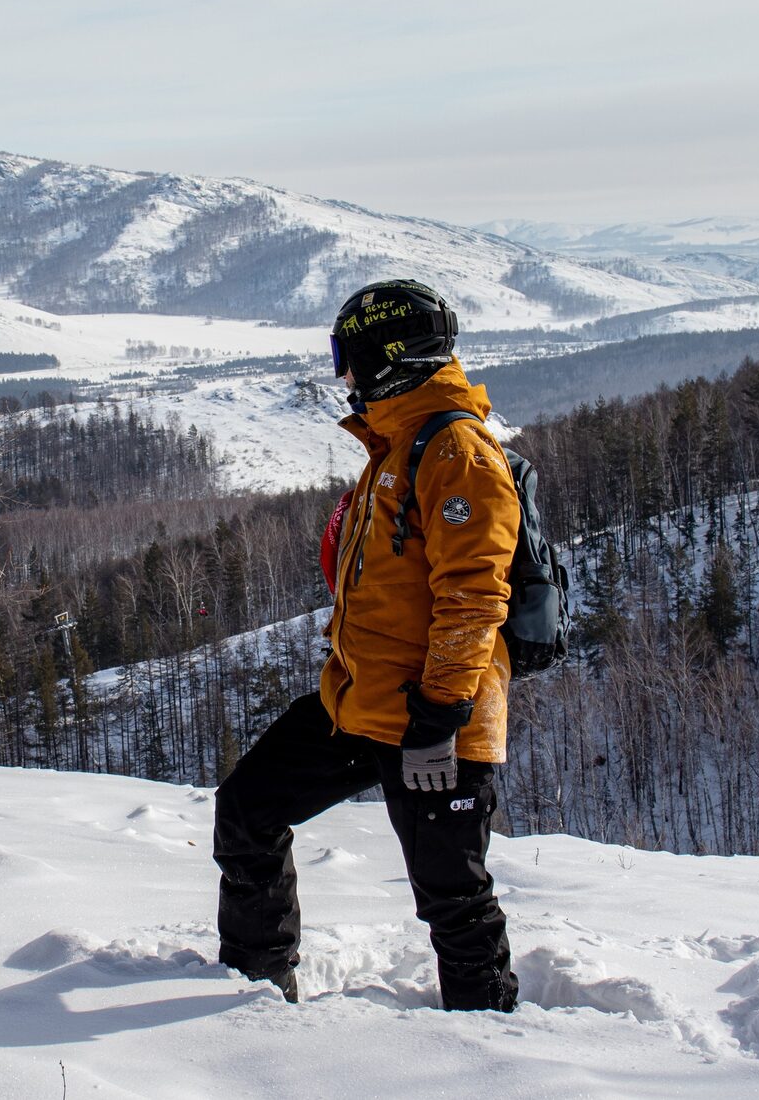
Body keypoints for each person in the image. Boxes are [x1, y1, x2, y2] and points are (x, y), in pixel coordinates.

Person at [213, 278, 520, 1012]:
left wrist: (438, 719)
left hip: (433, 723)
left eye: (348, 359)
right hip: (362, 701)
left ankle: (500, 1058)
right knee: (247, 809)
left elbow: (473, 599)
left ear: (389, 357)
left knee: (454, 901)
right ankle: (249, 1000)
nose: (343, 377)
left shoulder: (457, 452)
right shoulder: (395, 444)